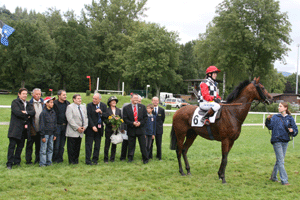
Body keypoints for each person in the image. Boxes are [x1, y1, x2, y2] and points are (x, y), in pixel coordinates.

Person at [265, 102, 298, 185]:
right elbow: (270, 127)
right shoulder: (275, 117)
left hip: (285, 141)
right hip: (276, 141)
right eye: (278, 106)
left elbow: (295, 130)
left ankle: (273, 177)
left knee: (279, 160)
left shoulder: (290, 118)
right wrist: (268, 120)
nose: (278, 108)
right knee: (281, 161)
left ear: (285, 108)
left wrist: (292, 131)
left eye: (280, 106)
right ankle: (284, 180)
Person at [6, 88, 35, 169]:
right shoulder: (15, 102)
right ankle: (9, 163)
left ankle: (17, 161)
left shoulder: (28, 103)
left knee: (20, 146)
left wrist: (25, 112)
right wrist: (27, 115)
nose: (25, 95)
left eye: (26, 94)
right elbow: (17, 112)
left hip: (24, 129)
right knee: (12, 146)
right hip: (15, 129)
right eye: (23, 94)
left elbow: (33, 112)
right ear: (19, 94)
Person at [122, 93, 149, 164]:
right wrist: (132, 123)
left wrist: (140, 123)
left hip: (141, 129)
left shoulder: (142, 107)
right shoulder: (126, 108)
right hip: (131, 129)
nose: (136, 99)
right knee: (131, 145)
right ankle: (130, 158)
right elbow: (125, 119)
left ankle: (145, 159)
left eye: (137, 98)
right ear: (131, 99)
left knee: (143, 145)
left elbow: (146, 117)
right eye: (135, 98)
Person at [85, 93, 108, 165]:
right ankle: (88, 161)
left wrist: (101, 112)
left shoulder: (103, 106)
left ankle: (95, 160)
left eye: (96, 99)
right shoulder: (89, 105)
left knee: (97, 145)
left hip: (99, 128)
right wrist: (92, 126)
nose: (94, 100)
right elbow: (88, 116)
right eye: (93, 98)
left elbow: (106, 115)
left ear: (100, 99)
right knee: (89, 145)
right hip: (90, 129)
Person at [66, 94, 88, 164]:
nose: (80, 100)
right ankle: (71, 161)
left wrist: (84, 127)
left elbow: (86, 117)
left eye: (80, 98)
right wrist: (77, 128)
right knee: (71, 148)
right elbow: (70, 119)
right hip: (73, 131)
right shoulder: (70, 107)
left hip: (81, 131)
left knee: (77, 148)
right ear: (74, 99)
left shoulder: (83, 107)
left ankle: (76, 160)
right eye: (78, 98)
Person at [120, 94, 142, 161]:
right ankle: (123, 157)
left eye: (140, 101)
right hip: (126, 127)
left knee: (131, 143)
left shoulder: (140, 107)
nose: (139, 102)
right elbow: (122, 117)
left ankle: (130, 156)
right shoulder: (126, 106)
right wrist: (122, 127)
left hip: (135, 128)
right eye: (138, 100)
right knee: (125, 143)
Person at [26, 88, 44, 164]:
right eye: (36, 94)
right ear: (33, 94)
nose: (38, 95)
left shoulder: (43, 103)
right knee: (29, 145)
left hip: (40, 128)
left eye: (39, 94)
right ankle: (28, 160)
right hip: (31, 127)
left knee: (39, 145)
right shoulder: (29, 103)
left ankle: (38, 159)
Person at [53, 90, 70, 163]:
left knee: (62, 144)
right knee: (56, 144)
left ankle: (60, 158)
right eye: (63, 95)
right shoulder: (54, 104)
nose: (65, 96)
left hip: (65, 126)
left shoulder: (68, 103)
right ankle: (54, 158)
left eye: (65, 95)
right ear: (59, 96)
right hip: (57, 126)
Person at [39, 97, 57, 167]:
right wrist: (42, 135)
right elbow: (42, 124)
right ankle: (42, 163)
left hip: (52, 133)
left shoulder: (53, 112)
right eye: (51, 102)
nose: (52, 104)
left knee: (50, 149)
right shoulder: (43, 113)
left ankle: (49, 162)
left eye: (53, 102)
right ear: (46, 103)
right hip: (45, 134)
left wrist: (55, 133)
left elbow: (55, 123)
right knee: (43, 150)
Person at [104, 96, 122, 163]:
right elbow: (105, 119)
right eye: (112, 101)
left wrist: (117, 124)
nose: (114, 102)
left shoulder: (119, 110)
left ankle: (112, 158)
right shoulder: (106, 110)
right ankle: (106, 159)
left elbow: (121, 119)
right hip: (109, 129)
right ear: (109, 102)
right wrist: (110, 123)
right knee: (107, 144)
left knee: (114, 144)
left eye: (115, 101)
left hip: (116, 130)